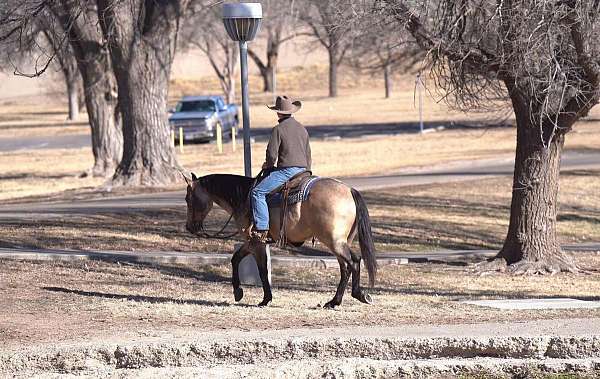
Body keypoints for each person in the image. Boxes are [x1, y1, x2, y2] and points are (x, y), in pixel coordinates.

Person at [250, 95, 312, 242]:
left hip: (287, 171)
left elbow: (272, 154)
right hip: (304, 170)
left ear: (278, 112)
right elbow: (308, 153)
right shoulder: (302, 129)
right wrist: (308, 170)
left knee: (257, 192)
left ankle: (262, 229)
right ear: (291, 111)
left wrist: (268, 165)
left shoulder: (278, 129)